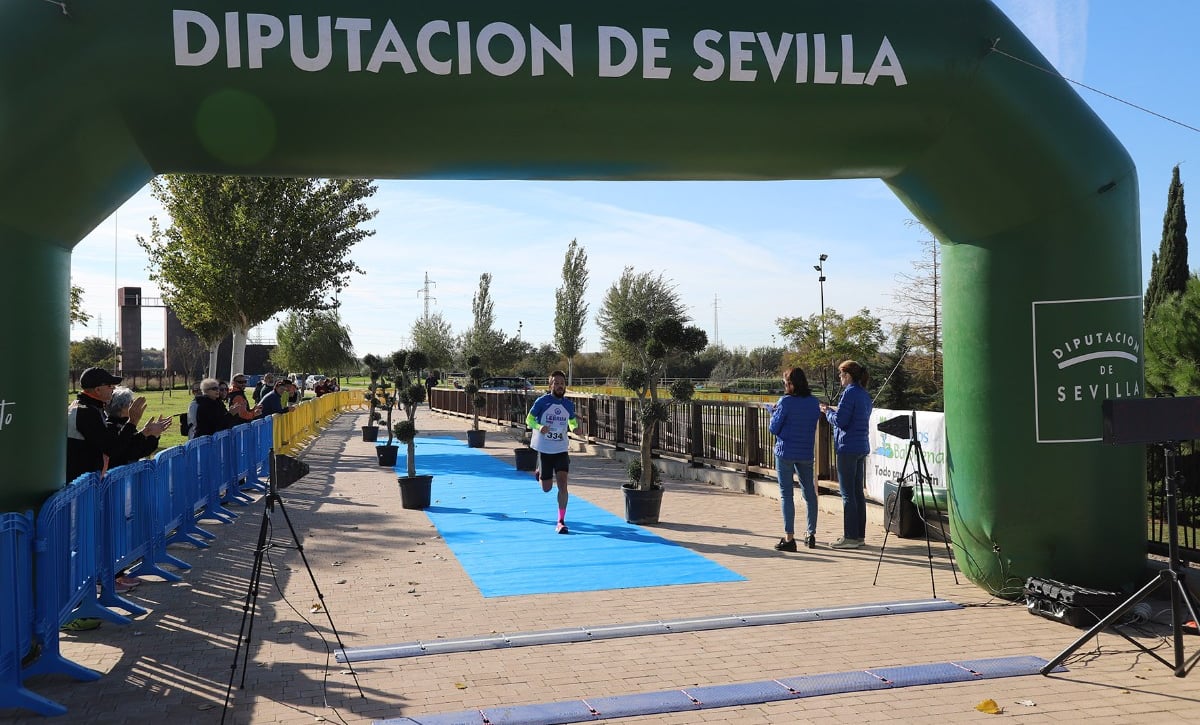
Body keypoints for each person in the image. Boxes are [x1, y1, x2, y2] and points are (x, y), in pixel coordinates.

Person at [66, 367, 167, 482]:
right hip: (81, 485)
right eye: (110, 386)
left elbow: (116, 443)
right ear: (98, 390)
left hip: (85, 482)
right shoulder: (86, 412)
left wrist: (145, 433)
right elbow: (113, 449)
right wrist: (132, 422)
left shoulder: (90, 408)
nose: (113, 389)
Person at [820, 360, 873, 549]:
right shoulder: (864, 394)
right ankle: (859, 536)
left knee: (848, 494)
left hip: (847, 447)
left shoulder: (849, 393)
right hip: (861, 446)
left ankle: (850, 536)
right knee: (858, 493)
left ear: (848, 376)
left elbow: (841, 421)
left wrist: (827, 412)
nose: (840, 378)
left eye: (841, 375)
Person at [768, 367, 822, 551]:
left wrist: (772, 412)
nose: (784, 386)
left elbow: (774, 428)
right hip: (806, 452)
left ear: (791, 384)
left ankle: (789, 538)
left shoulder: (785, 402)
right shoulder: (814, 402)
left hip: (785, 452)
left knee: (786, 494)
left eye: (785, 383)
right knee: (809, 493)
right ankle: (811, 533)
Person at [525, 371, 578, 534]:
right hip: (545, 449)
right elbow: (529, 420)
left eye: (562, 383)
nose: (559, 386)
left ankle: (561, 521)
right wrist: (540, 427)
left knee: (563, 483)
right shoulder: (542, 401)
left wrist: (574, 428)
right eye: (556, 383)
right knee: (546, 488)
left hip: (561, 448)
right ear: (550, 386)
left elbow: (571, 420)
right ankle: (540, 471)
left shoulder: (569, 404)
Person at [105, 386, 171, 468]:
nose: (135, 407)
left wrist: (154, 435)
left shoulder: (129, 425)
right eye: (131, 404)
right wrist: (143, 432)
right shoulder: (110, 426)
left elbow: (142, 451)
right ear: (121, 407)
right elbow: (129, 453)